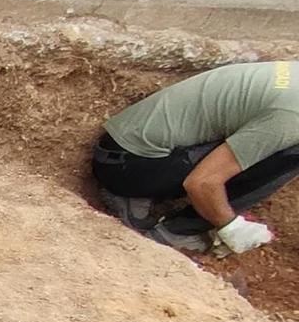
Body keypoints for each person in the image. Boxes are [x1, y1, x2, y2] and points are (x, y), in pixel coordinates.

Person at [92, 60, 297, 255]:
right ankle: (176, 232)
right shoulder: (290, 117)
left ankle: (139, 193)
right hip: (126, 166)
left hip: (124, 151)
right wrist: (232, 227)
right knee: (291, 154)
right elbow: (201, 182)